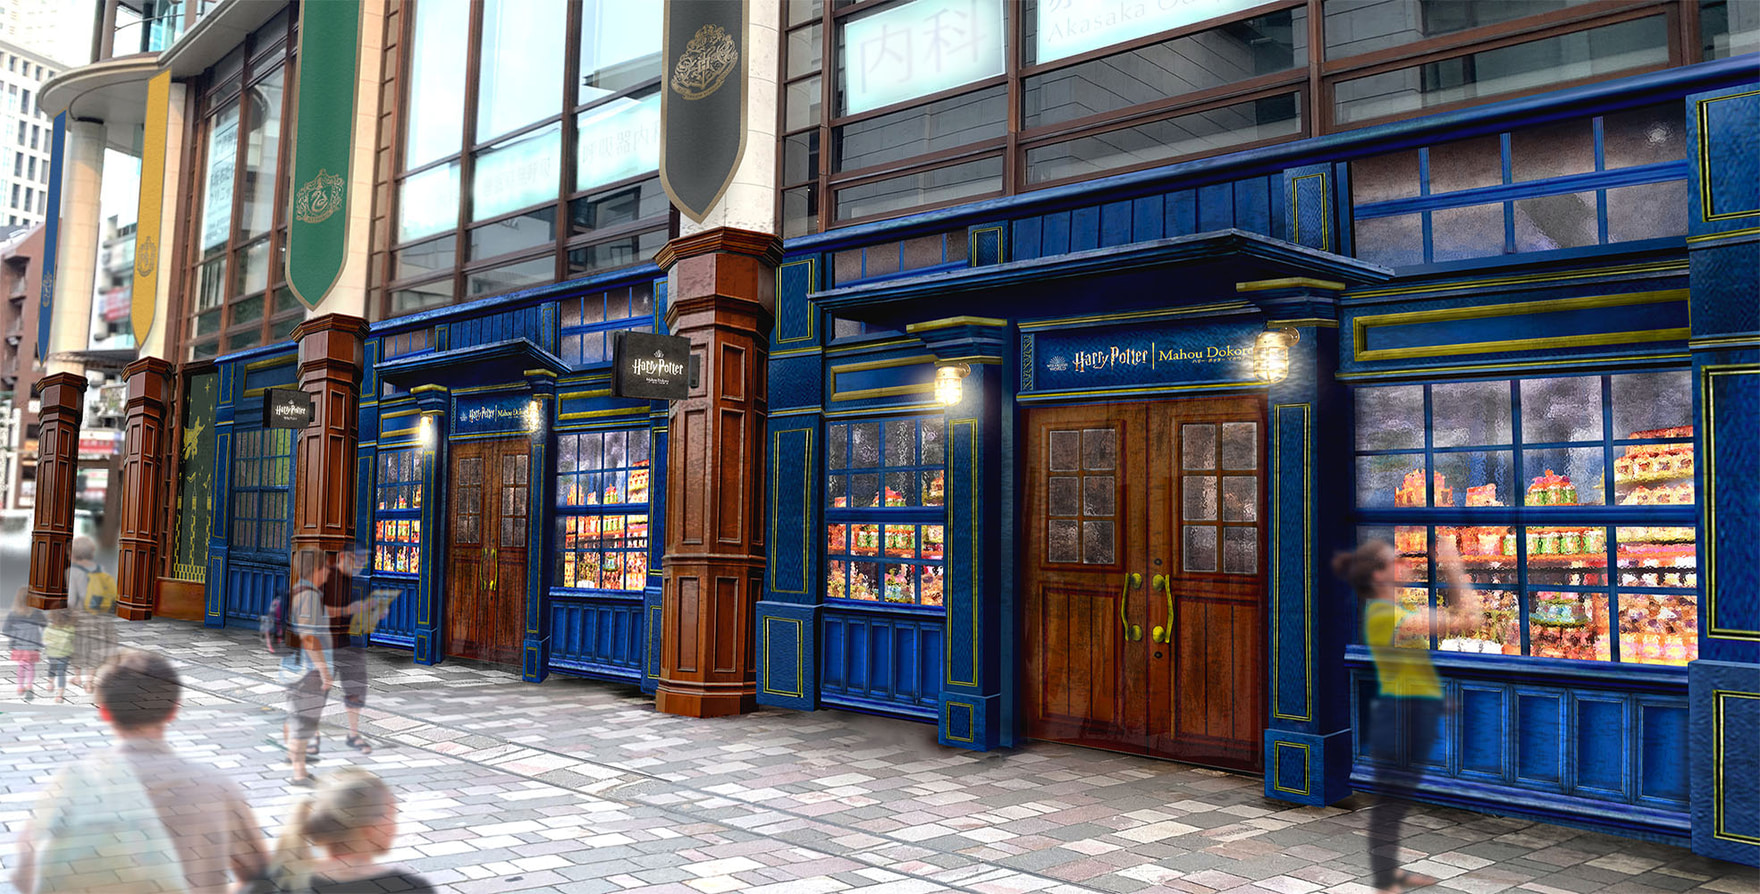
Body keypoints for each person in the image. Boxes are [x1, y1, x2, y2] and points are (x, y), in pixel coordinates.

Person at [10, 649, 268, 893]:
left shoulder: (69, 785)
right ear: (174, 709)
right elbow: (262, 876)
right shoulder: (216, 788)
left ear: (105, 712)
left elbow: (24, 878)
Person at [1335, 536, 1484, 894]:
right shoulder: (1387, 616)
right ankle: (1386, 881)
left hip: (1410, 714)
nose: (1405, 565)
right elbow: (1469, 620)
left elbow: (1408, 668)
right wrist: (1452, 563)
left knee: (1394, 804)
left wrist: (1437, 703)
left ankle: (1389, 876)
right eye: (1396, 561)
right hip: (1401, 719)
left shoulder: (1392, 611)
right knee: (1390, 804)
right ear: (1379, 575)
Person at [254, 767, 432, 894]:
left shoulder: (272, 882)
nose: (395, 826)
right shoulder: (409, 887)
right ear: (371, 828)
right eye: (392, 814)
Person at [282, 553, 334, 787]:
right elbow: (309, 637)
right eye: (326, 567)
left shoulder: (302, 591)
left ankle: (294, 759)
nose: (329, 572)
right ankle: (299, 774)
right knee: (305, 721)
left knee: (298, 717)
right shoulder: (309, 596)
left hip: (301, 669)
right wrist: (324, 671)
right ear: (316, 569)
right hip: (309, 671)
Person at [324, 548, 376, 756]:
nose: (360, 565)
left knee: (354, 689)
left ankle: (353, 734)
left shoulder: (349, 581)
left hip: (347, 644)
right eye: (357, 561)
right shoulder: (327, 577)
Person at [66, 535, 119, 690]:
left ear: (73, 553)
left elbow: (71, 599)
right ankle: (89, 681)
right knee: (95, 648)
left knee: (78, 646)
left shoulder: (72, 571)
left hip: (81, 615)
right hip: (100, 615)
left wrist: (68, 614)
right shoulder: (99, 568)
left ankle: (77, 677)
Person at [5, 586, 44, 701]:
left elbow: (6, 629)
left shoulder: (13, 613)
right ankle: (29, 685)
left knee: (21, 665)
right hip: (32, 644)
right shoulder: (36, 612)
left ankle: (20, 686)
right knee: (31, 666)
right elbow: (44, 623)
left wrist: (16, 634)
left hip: (19, 645)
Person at [42, 609, 75, 703]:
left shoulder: (49, 628)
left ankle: (50, 683)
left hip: (52, 653)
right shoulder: (71, 628)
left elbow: (45, 641)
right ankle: (60, 695)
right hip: (65, 654)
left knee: (52, 668)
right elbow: (73, 640)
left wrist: (51, 643)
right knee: (61, 673)